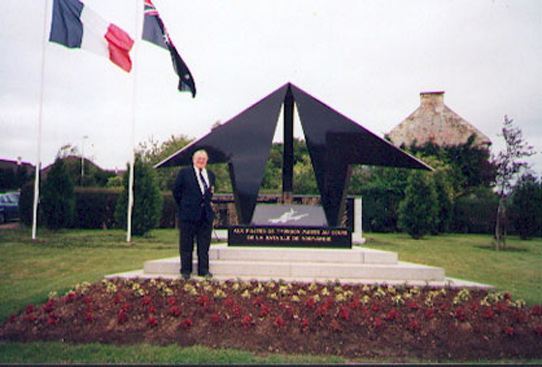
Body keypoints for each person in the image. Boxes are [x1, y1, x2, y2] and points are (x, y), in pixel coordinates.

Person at [172, 149, 215, 280]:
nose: (201, 161)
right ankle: (186, 270)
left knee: (204, 245)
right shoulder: (185, 173)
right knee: (186, 244)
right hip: (188, 215)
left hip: (205, 215)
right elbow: (176, 192)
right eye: (199, 158)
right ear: (193, 160)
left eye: (204, 159)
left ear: (207, 161)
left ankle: (203, 270)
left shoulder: (211, 174)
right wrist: (186, 205)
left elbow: (209, 194)